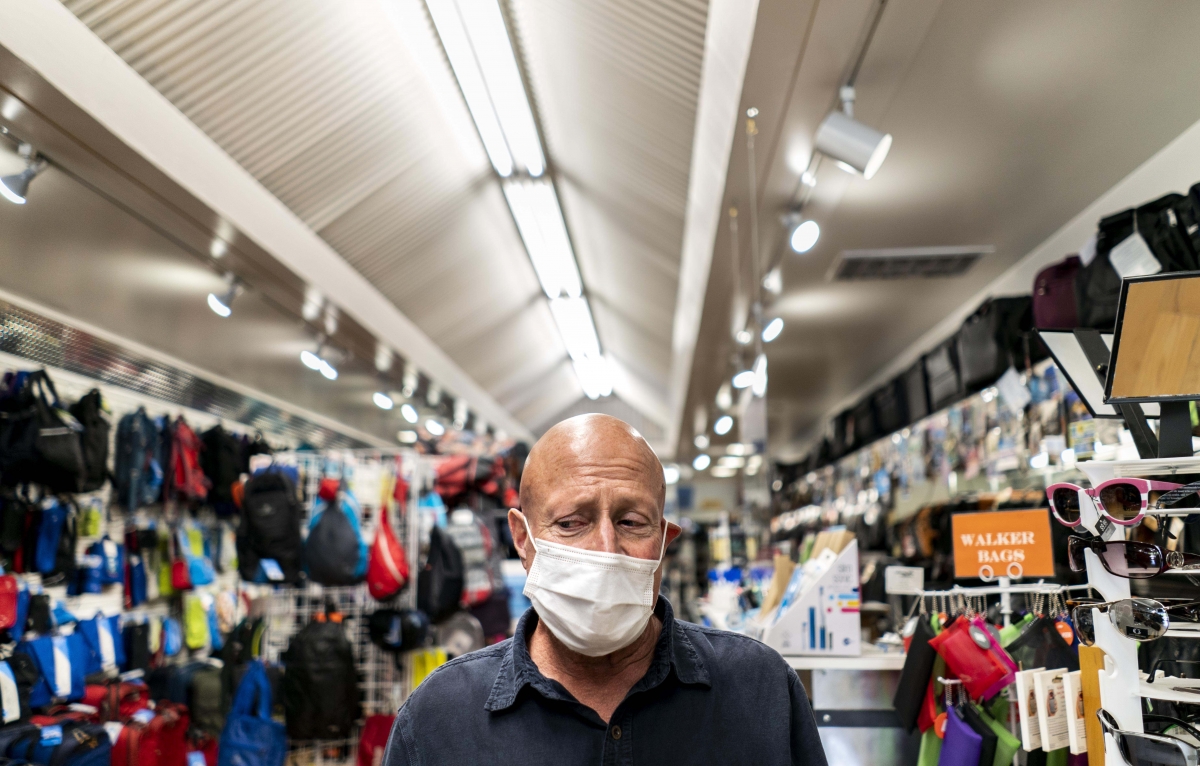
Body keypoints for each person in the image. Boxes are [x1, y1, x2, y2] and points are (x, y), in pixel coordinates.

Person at [383, 414, 827, 765]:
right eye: (570, 523)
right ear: (522, 539)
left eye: (631, 522)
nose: (606, 551)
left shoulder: (762, 691)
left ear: (664, 541)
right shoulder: (438, 719)